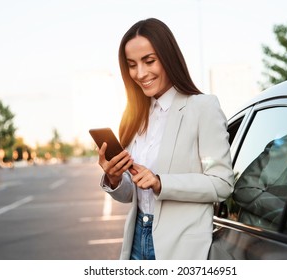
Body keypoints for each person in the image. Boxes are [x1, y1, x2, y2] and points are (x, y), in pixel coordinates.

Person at [96, 18, 233, 260]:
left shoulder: (202, 108)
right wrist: (114, 178)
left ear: (168, 57)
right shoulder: (134, 118)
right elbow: (131, 195)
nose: (140, 73)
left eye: (149, 61)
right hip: (137, 241)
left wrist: (161, 183)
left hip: (182, 248)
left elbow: (221, 183)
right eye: (132, 64)